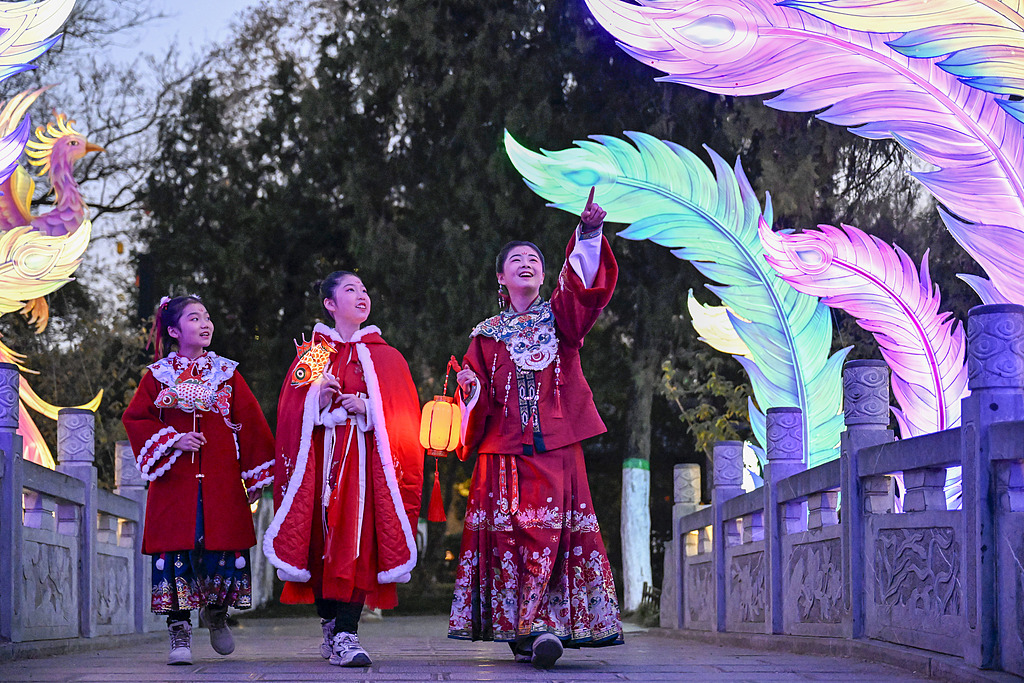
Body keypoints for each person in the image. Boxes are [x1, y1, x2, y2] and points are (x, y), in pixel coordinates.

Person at [448, 188, 624, 669]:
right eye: (516, 260)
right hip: (501, 453)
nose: (527, 263)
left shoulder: (562, 321)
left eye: (535, 260)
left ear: (545, 275)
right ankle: (522, 631)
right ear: (500, 277)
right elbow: (474, 398)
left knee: (552, 534)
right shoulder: (484, 335)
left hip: (555, 447)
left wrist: (588, 235)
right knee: (510, 538)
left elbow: (584, 291)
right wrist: (468, 386)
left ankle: (543, 626)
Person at [264, 271, 423, 667]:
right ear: (330, 305)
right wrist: (318, 400)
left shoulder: (386, 355)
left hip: (365, 473)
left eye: (365, 289)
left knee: (359, 544)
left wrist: (367, 408)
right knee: (319, 545)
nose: (362, 296)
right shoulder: (314, 353)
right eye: (350, 290)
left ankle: (348, 634)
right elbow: (288, 409)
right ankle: (331, 626)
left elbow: (404, 413)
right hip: (319, 468)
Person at [123, 295, 275, 666]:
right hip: (176, 480)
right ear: (174, 330)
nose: (205, 324)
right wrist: (174, 438)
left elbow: (251, 422)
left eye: (207, 317)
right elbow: (136, 419)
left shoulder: (227, 373)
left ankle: (217, 613)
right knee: (175, 550)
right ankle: (179, 628)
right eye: (194, 318)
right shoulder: (157, 377)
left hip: (222, 479)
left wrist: (258, 472)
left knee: (224, 548)